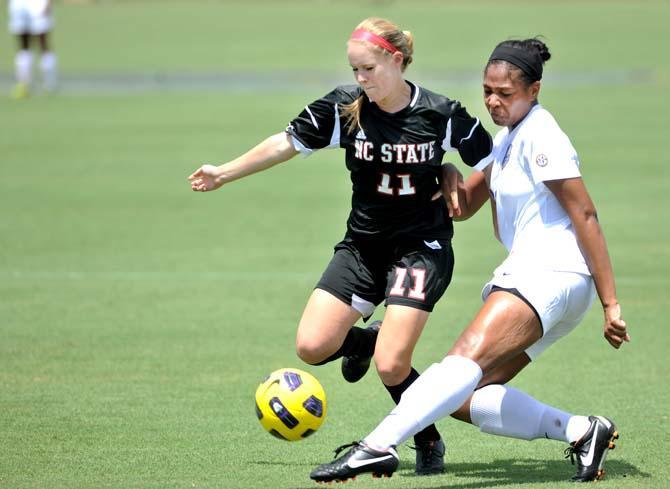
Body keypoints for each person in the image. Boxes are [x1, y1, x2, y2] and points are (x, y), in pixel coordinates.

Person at [310, 38, 630, 484]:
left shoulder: (543, 134)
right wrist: (444, 169)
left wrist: (611, 303)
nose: (494, 102)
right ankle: (582, 430)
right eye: (487, 91)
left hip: (550, 273)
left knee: (458, 364)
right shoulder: (505, 137)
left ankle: (376, 447)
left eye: (506, 93)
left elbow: (585, 214)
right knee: (463, 395)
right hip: (549, 286)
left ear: (534, 91)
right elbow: (460, 205)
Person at [188, 17, 492, 475]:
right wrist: (224, 172)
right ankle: (365, 341)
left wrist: (455, 177)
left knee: (393, 366)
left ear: (395, 59)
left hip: (420, 249)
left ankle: (426, 439)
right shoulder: (345, 108)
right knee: (311, 346)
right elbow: (285, 143)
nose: (361, 78)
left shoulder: (439, 113)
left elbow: (493, 158)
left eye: (368, 68)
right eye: (355, 70)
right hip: (363, 247)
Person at [7, 0, 58, 98]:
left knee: (43, 43)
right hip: (19, 4)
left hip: (37, 3)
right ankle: (24, 83)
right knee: (23, 45)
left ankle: (49, 82)